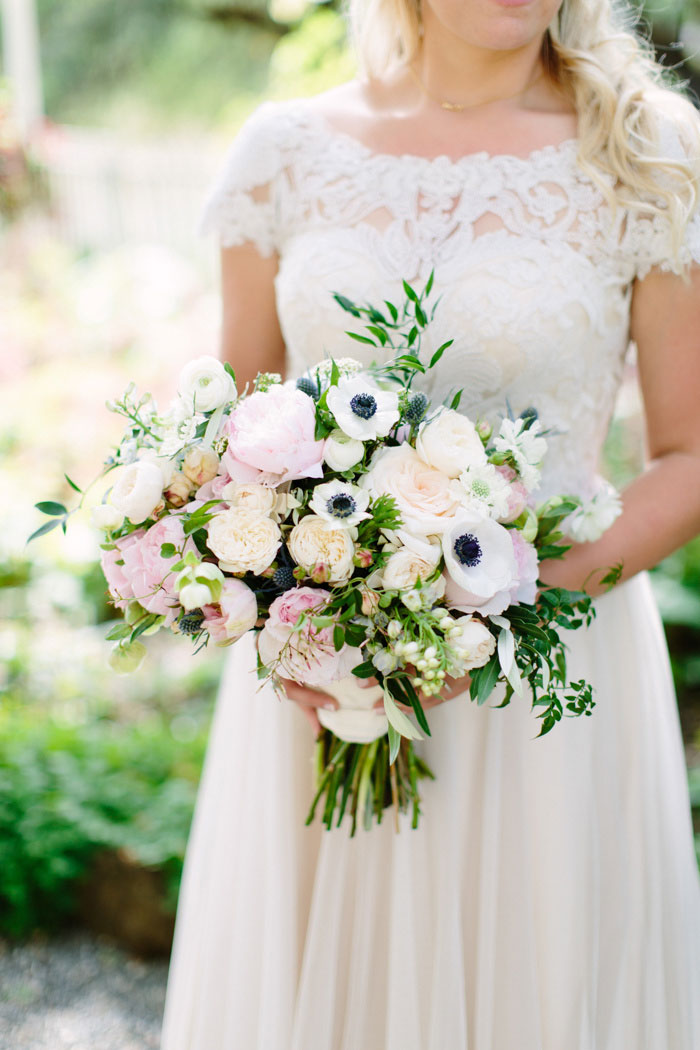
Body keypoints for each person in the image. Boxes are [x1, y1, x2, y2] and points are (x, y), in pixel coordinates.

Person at [159, 0, 700, 1042]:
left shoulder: (646, 151)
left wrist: (495, 609)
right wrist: (274, 603)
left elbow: (687, 455)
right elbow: (232, 429)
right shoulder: (287, 152)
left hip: (550, 686)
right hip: (324, 684)